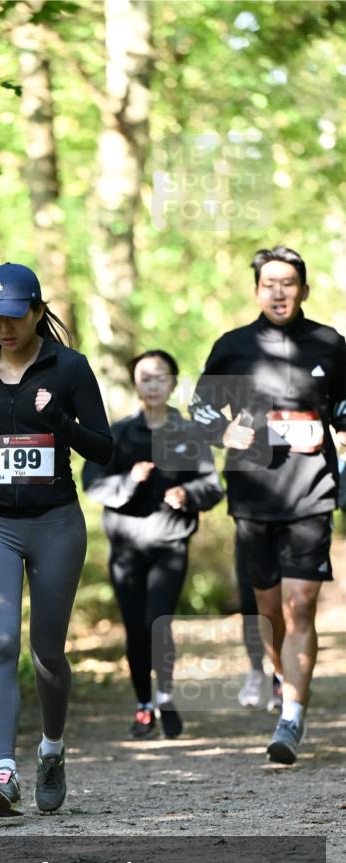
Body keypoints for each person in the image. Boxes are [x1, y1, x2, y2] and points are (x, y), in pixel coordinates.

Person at [0, 262, 112, 816]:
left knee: (46, 654)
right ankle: (5, 771)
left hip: (56, 523)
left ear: (38, 310)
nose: (4, 329)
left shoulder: (70, 368)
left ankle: (53, 750)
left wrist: (60, 419)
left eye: (14, 317)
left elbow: (104, 449)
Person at [190, 246, 346, 764]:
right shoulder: (234, 348)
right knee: (269, 611)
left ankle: (292, 717)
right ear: (257, 290)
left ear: (304, 288)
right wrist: (223, 430)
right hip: (253, 497)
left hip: (312, 492)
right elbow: (201, 409)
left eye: (288, 283)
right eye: (269, 283)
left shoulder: (328, 344)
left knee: (301, 606)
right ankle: (282, 679)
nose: (279, 291)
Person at [82, 350, 223, 739]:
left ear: (174, 382)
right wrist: (130, 481)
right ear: (136, 385)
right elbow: (92, 482)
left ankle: (165, 695)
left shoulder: (190, 433)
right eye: (146, 377)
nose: (154, 384)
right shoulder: (119, 433)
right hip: (126, 548)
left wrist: (188, 495)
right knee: (134, 629)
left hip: (169, 544)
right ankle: (144, 705)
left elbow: (213, 486)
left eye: (161, 377)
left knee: (157, 623)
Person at [235, 534, 282, 711]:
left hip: (287, 530)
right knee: (249, 606)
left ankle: (280, 679)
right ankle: (256, 670)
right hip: (250, 528)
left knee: (280, 608)